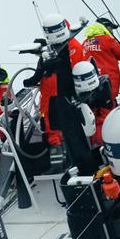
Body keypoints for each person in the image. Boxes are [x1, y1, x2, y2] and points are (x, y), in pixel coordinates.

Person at [35, 14, 85, 147]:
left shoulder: (64, 49)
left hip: (61, 97)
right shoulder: (69, 47)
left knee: (57, 127)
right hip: (62, 96)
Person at [81, 17, 120, 103]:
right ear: (104, 27)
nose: (112, 31)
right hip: (108, 83)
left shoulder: (85, 43)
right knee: (108, 109)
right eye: (111, 28)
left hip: (90, 82)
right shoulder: (108, 40)